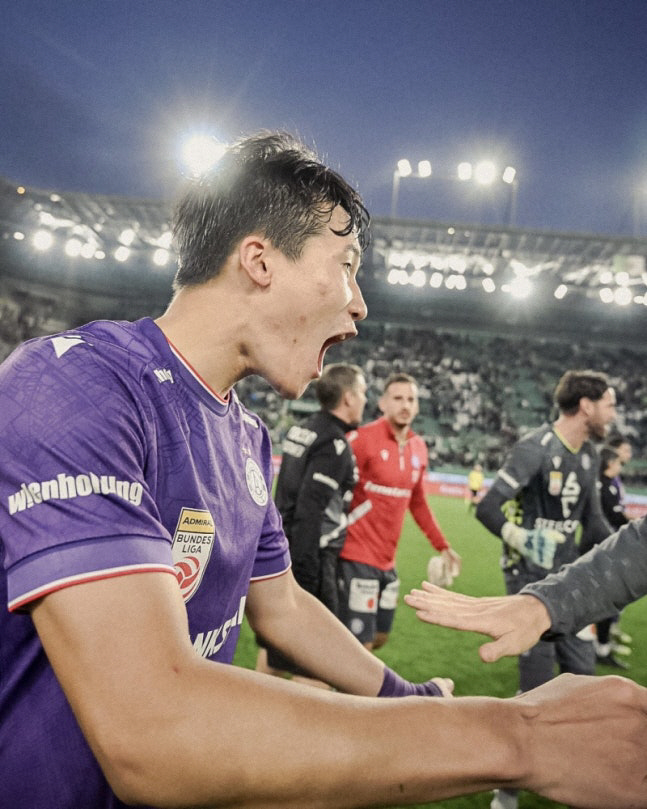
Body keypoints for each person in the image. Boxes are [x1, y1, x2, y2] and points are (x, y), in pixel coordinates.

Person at [1, 132, 647, 809]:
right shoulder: (76, 385)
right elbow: (151, 729)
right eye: (346, 264)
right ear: (258, 260)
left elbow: (280, 606)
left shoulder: (244, 434)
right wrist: (519, 738)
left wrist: (405, 694)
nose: (360, 303)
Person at [472, 369, 616, 809]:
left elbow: (592, 525)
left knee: (583, 681)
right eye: (609, 403)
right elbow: (487, 506)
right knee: (534, 689)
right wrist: (521, 537)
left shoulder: (589, 454)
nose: (613, 413)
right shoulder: (535, 448)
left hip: (570, 585)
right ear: (587, 405)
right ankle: (507, 790)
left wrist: (626, 551)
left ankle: (571, 773)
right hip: (529, 584)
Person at [256, 362, 367, 686]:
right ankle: (300, 736)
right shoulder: (333, 444)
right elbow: (310, 510)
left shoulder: (303, 429)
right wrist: (305, 577)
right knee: (321, 664)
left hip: (282, 548)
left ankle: (254, 732)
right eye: (361, 393)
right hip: (311, 559)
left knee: (275, 653)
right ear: (347, 398)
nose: (364, 400)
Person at [338, 372, 462, 650]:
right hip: (355, 556)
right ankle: (333, 691)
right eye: (398, 398)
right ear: (382, 403)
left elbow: (417, 502)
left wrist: (442, 546)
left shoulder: (419, 447)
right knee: (361, 644)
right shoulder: (362, 439)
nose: (405, 405)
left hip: (387, 562)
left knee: (380, 637)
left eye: (411, 399)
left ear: (417, 407)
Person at [592, 446, 630, 668]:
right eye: (617, 462)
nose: (620, 465)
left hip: (603, 548)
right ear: (608, 465)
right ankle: (601, 647)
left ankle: (600, 644)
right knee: (606, 601)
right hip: (606, 550)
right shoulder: (604, 488)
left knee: (606, 601)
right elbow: (615, 516)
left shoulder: (603, 486)